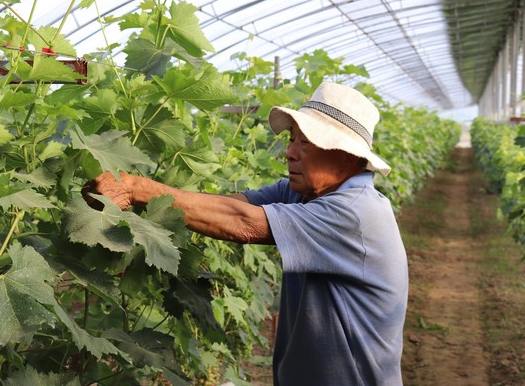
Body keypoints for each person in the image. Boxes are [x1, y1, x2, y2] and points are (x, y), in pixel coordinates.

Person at [84, 82, 408, 386]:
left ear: (347, 155)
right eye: (292, 139)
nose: (290, 153)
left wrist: (136, 187)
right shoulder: (307, 193)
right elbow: (231, 204)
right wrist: (131, 193)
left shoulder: (354, 213)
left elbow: (242, 222)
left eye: (305, 142)